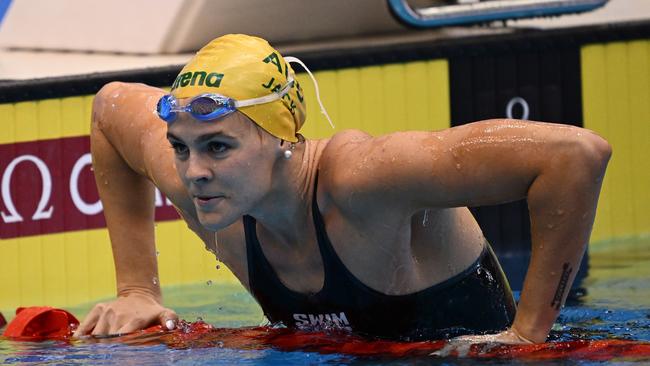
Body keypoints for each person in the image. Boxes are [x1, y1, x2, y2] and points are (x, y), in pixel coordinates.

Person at [73, 34, 611, 344]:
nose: (193, 172)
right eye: (181, 147)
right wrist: (137, 291)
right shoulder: (202, 190)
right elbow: (110, 107)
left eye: (218, 147)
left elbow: (575, 156)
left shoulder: (364, 179)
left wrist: (528, 334)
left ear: (281, 138)